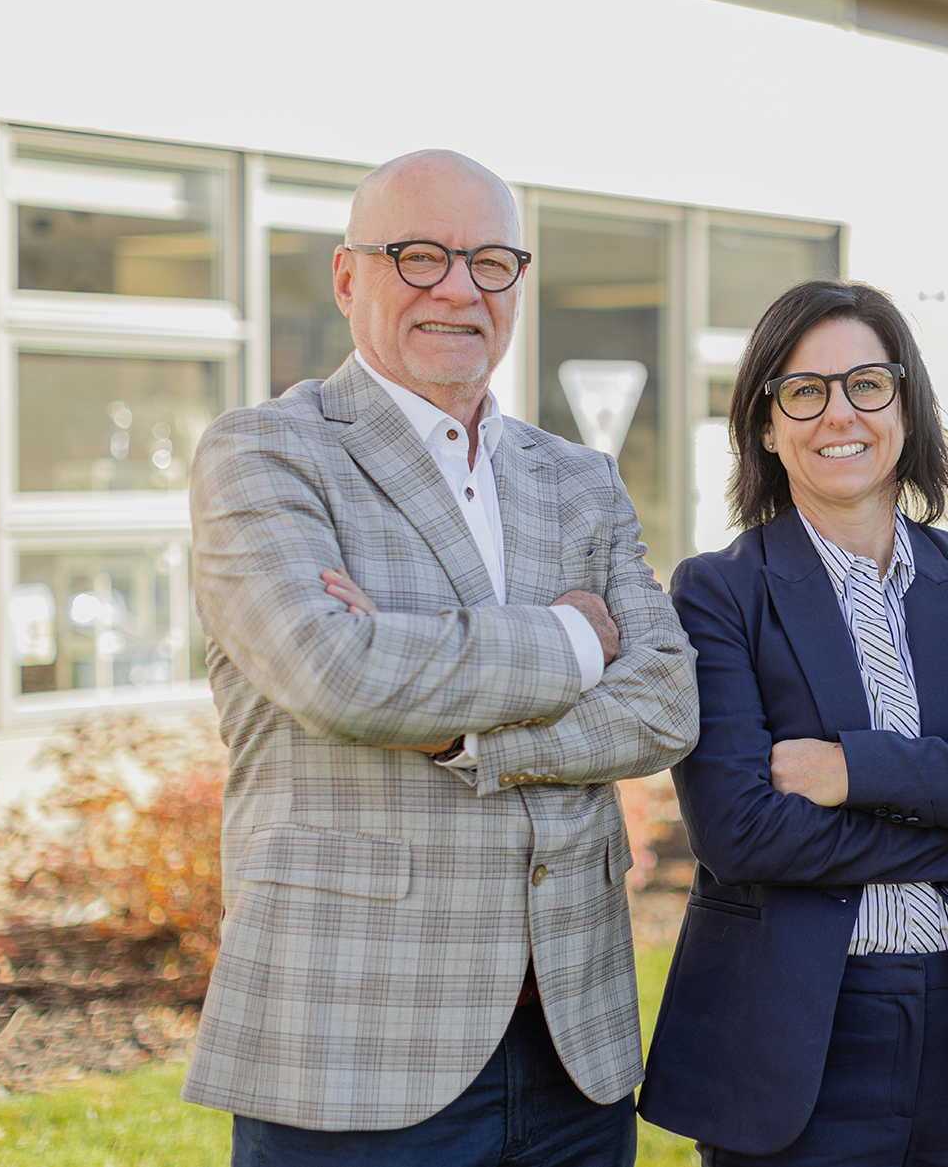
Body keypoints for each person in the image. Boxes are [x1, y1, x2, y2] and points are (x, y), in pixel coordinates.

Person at [183, 149, 698, 1166]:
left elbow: (665, 702)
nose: (458, 288)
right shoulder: (265, 454)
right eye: (418, 257)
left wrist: (462, 733)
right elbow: (338, 675)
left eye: (490, 262)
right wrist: (571, 637)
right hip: (356, 1047)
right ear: (348, 277)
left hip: (572, 1046)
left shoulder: (580, 480)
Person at [638, 280, 948, 1165]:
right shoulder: (717, 591)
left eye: (866, 384)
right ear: (766, 424)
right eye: (804, 391)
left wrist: (856, 771)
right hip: (791, 1042)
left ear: (906, 405)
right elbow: (740, 832)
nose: (837, 413)